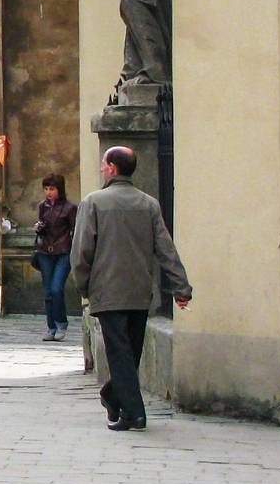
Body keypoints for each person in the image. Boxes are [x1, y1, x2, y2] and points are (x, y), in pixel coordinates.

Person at [72, 146, 191, 431]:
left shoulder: (94, 203)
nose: (101, 168)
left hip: (107, 290)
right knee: (130, 351)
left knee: (121, 353)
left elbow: (81, 251)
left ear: (112, 167)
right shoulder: (148, 204)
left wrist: (83, 285)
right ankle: (120, 401)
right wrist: (180, 287)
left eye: (103, 163)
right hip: (139, 291)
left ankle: (129, 409)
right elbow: (165, 248)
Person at [35, 173, 78, 342]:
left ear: (59, 189)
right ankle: (51, 327)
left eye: (52, 189)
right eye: (46, 189)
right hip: (45, 250)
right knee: (47, 291)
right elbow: (43, 227)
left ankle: (61, 323)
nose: (48, 192)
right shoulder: (42, 206)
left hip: (63, 251)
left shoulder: (70, 207)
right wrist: (39, 228)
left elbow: (74, 229)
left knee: (56, 288)